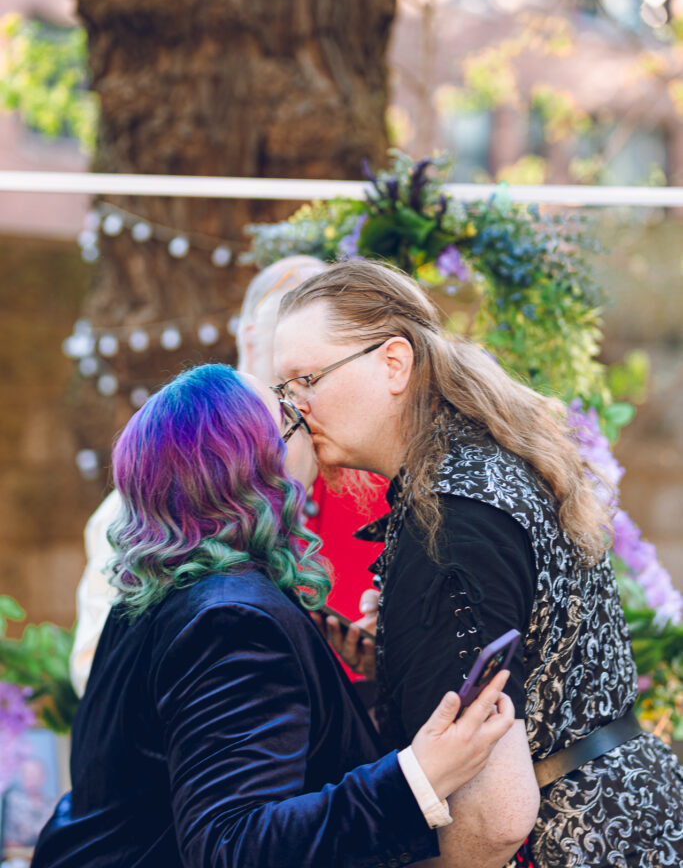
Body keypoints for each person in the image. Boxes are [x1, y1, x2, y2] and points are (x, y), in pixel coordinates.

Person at [273, 259, 683, 868]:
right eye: (285, 390)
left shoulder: (449, 515)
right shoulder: (483, 464)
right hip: (630, 818)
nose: (294, 410)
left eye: (307, 379)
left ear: (394, 364)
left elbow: (494, 818)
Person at [32, 363, 514, 868]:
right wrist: (418, 778)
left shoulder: (153, 594)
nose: (304, 414)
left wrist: (378, 687)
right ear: (251, 462)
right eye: (286, 414)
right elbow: (232, 847)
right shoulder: (231, 622)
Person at [69, 255, 384, 697]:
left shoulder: (363, 476)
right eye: (291, 362)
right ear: (251, 337)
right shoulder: (158, 490)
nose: (304, 392)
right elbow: (99, 672)